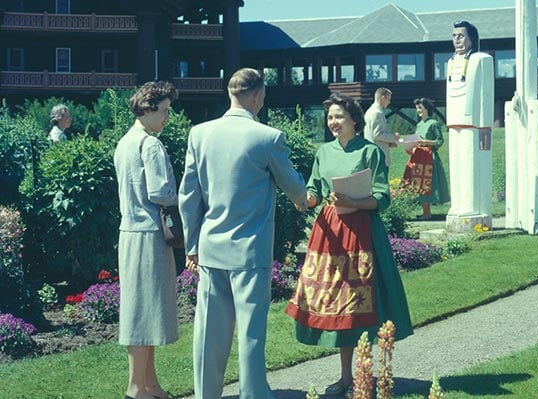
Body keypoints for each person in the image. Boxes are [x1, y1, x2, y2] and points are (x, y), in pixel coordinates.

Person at [179, 68, 308, 399]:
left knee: (209, 333)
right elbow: (294, 188)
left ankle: (206, 395)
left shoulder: (200, 134)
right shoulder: (268, 137)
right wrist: (305, 199)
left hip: (210, 247)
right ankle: (254, 394)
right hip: (250, 250)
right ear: (256, 96)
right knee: (250, 332)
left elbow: (188, 196)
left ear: (230, 93)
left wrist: (191, 245)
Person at [285, 93, 414, 398]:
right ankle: (345, 377)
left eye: (339, 116)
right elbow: (316, 186)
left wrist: (352, 201)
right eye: (330, 116)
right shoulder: (324, 151)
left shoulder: (370, 152)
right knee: (338, 304)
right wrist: (308, 200)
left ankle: (367, 373)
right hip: (330, 232)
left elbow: (381, 199)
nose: (333, 122)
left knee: (364, 303)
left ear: (354, 119)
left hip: (362, 232)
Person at [113, 81, 180, 399]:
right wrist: (184, 197)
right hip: (148, 235)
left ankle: (150, 383)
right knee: (142, 312)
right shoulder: (150, 145)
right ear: (148, 108)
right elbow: (161, 193)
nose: (168, 116)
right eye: (165, 110)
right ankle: (137, 387)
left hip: (129, 233)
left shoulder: (125, 142)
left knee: (145, 310)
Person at [445, 20, 494, 232]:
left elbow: (486, 93)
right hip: (454, 121)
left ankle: (472, 205)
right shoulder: (449, 62)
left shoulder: (481, 60)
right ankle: (457, 203)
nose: (457, 39)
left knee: (470, 162)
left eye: (462, 35)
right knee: (455, 163)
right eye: (454, 35)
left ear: (472, 38)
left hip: (473, 123)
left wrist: (485, 125)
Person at [402, 97, 450, 220]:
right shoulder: (419, 125)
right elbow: (416, 140)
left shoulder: (433, 123)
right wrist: (410, 147)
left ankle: (427, 213)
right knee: (419, 184)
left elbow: (440, 141)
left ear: (426, 108)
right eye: (417, 108)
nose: (418, 110)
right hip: (418, 156)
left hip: (429, 156)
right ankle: (425, 213)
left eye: (420, 107)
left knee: (428, 183)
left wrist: (425, 142)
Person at [363, 87, 399, 172]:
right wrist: (394, 137)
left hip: (373, 154)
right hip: (379, 157)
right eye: (388, 99)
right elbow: (377, 135)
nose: (389, 102)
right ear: (383, 98)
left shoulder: (369, 111)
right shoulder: (377, 113)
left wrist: (389, 143)